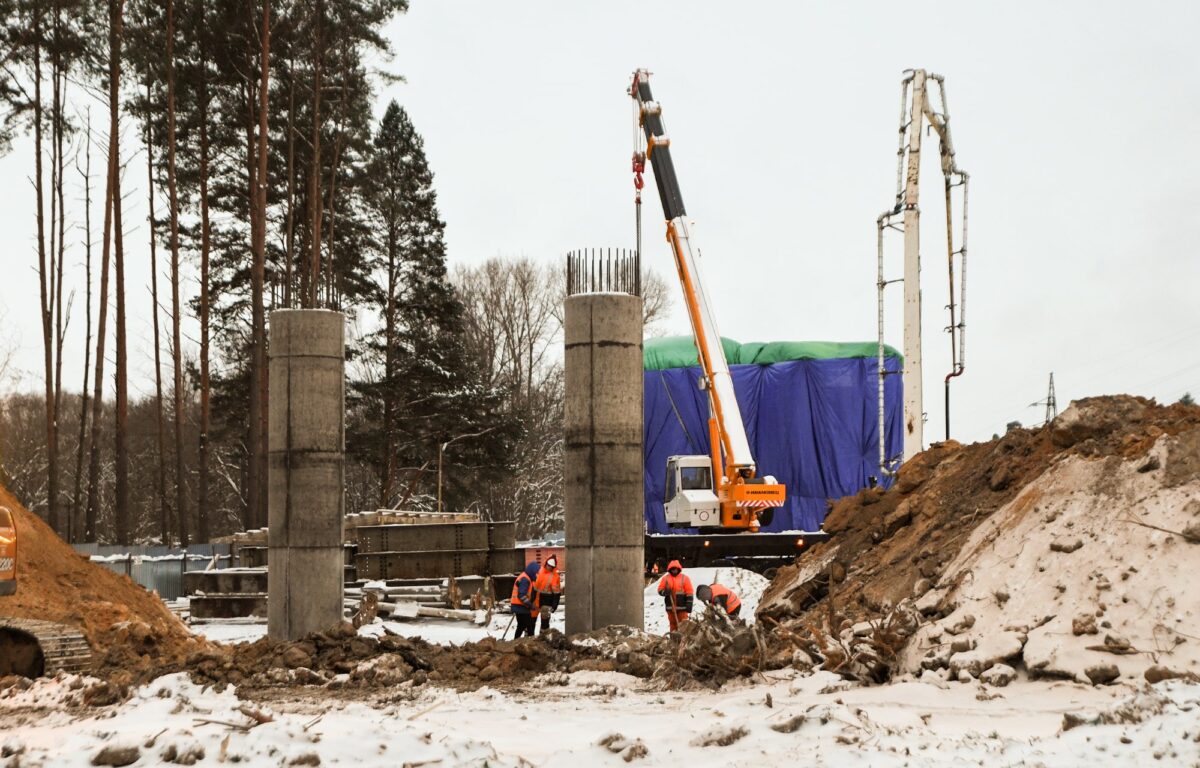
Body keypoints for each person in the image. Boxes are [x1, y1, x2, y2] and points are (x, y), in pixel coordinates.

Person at [655, 560, 693, 632]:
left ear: (678, 569)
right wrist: (665, 592)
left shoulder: (684, 578)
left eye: (675, 569)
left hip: (682, 608)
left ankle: (683, 641)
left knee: (684, 625)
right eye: (672, 569)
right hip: (671, 607)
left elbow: (689, 592)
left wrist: (689, 603)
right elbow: (660, 590)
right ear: (670, 569)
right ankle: (673, 640)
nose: (674, 571)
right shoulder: (665, 578)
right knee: (673, 625)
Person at [511, 561, 542, 639]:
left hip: (519, 606)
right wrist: (530, 605)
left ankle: (516, 641)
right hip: (521, 607)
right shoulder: (525, 579)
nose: (537, 575)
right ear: (532, 571)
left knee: (521, 626)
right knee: (529, 625)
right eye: (536, 573)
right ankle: (530, 642)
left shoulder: (526, 577)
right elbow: (521, 595)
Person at [532, 555, 562, 635]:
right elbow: (534, 586)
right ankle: (529, 637)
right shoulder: (540, 571)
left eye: (551, 566)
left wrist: (554, 605)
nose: (549, 567)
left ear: (553, 567)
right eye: (548, 565)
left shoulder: (555, 577)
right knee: (531, 621)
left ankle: (543, 638)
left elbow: (557, 593)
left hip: (547, 602)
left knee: (544, 624)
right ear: (546, 564)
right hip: (536, 600)